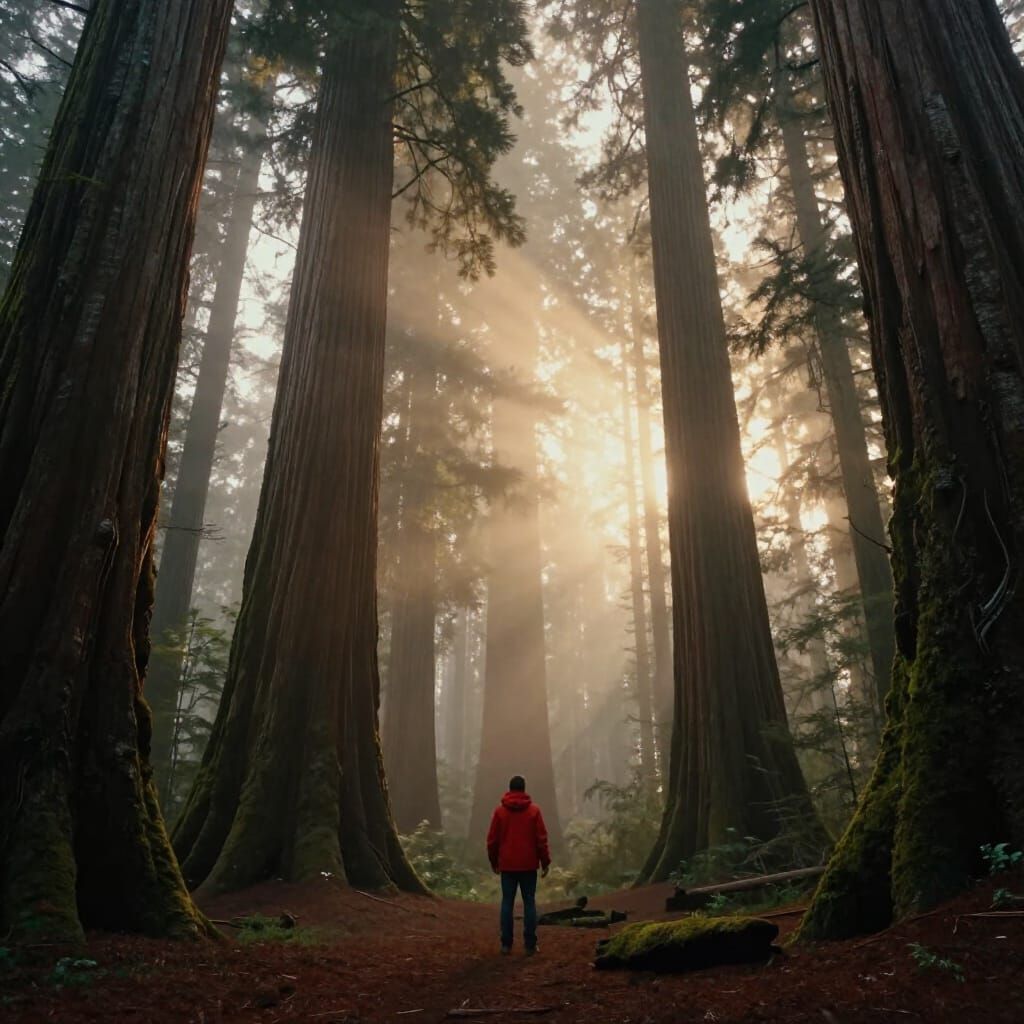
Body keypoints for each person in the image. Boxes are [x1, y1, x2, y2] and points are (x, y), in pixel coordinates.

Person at [486, 774, 551, 956]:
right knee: (529, 902)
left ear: (510, 789)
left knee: (507, 902)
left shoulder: (500, 812)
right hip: (529, 865)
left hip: (507, 865)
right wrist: (545, 862)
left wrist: (494, 861)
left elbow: (492, 841)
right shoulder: (534, 811)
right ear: (524, 789)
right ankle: (530, 944)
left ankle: (506, 944)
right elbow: (541, 839)